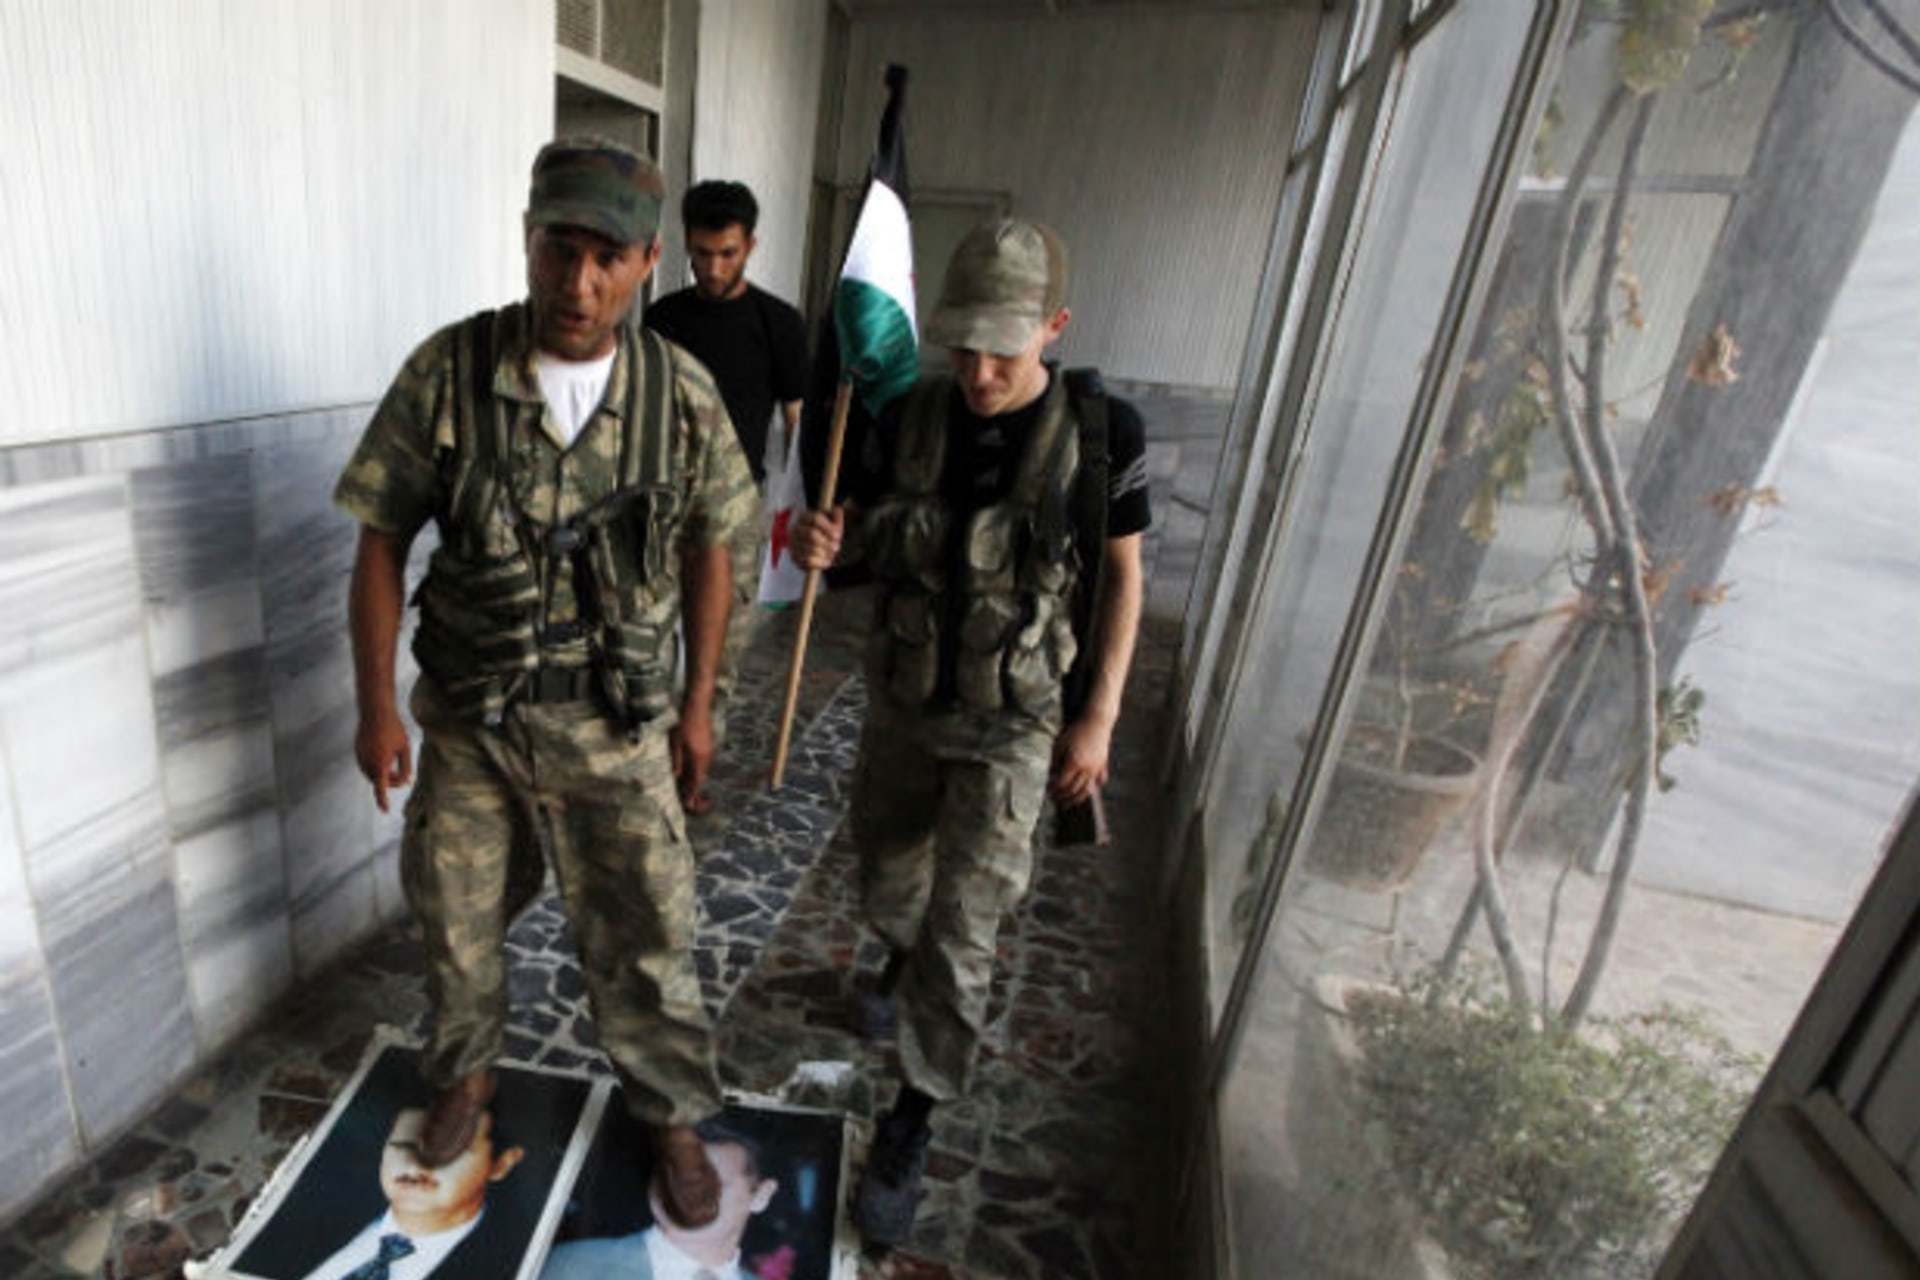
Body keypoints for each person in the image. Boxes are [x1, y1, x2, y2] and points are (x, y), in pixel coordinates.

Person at [336, 137, 758, 1229]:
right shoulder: (450, 372)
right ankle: (466, 1076)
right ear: (527, 241)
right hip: (475, 724)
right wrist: (376, 702)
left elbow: (716, 547)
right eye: (556, 250)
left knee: (648, 933)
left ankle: (666, 1109)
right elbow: (382, 536)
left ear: (648, 259)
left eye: (606, 257)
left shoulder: (681, 392)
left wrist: (702, 701)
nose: (577, 283)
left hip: (615, 727)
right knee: (457, 919)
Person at [789, 217, 1149, 1245]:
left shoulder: (1102, 434)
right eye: (963, 345)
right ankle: (897, 955)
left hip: (1016, 722)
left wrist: (1098, 717)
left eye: (1004, 345)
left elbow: (1122, 577)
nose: (981, 369)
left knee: (966, 929)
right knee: (887, 879)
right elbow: (864, 543)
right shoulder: (906, 415)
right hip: (904, 706)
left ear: (1054, 326)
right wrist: (828, 541)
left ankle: (914, 1113)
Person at [642, 180, 810, 801]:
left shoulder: (779, 324)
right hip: (662, 508)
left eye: (728, 253)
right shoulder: (663, 318)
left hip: (738, 512)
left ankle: (695, 774)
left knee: (718, 661)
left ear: (751, 246)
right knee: (651, 650)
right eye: (702, 252)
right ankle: (656, 775)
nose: (713, 268)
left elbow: (796, 422)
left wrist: (802, 510)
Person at [297, 1106, 526, 1280]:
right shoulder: (305, 1214)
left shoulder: (511, 1261)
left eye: (450, 1154)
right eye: (406, 1148)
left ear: (501, 1164)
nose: (417, 1168)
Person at [539, 1118, 779, 1280]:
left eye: (711, 1185)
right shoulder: (575, 1267)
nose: (686, 1197)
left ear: (761, 1196)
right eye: (672, 1179)